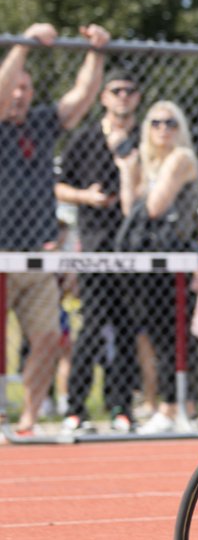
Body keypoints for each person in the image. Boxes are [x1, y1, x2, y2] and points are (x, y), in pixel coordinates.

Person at [0, 22, 110, 437]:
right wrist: (24, 44)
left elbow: (80, 99)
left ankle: (28, 419)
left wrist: (96, 51)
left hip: (36, 254)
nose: (18, 93)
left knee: (47, 337)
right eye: (14, 85)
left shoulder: (42, 123)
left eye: (25, 87)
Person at [54, 68, 142, 434]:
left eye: (129, 90)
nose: (123, 96)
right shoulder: (85, 138)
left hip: (132, 246)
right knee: (91, 329)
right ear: (104, 97)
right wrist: (86, 197)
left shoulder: (144, 139)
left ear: (136, 98)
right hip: (92, 245)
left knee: (125, 329)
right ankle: (76, 408)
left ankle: (121, 407)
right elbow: (57, 185)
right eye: (116, 90)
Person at [115, 100, 198, 434]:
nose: (163, 129)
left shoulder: (180, 159)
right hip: (152, 260)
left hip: (173, 258)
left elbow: (152, 207)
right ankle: (172, 404)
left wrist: (143, 181)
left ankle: (175, 406)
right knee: (159, 334)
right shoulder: (153, 165)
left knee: (174, 333)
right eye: (155, 123)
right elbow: (128, 208)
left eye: (170, 123)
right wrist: (127, 169)